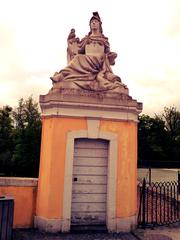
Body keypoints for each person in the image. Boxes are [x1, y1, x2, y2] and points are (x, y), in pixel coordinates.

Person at [50, 12, 127, 92]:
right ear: (90, 25)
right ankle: (61, 75)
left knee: (78, 58)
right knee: (78, 57)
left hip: (99, 64)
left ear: (99, 25)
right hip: (86, 63)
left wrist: (111, 56)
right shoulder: (86, 40)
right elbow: (76, 50)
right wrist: (70, 41)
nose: (93, 23)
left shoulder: (104, 40)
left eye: (95, 22)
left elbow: (110, 58)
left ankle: (62, 75)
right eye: (92, 22)